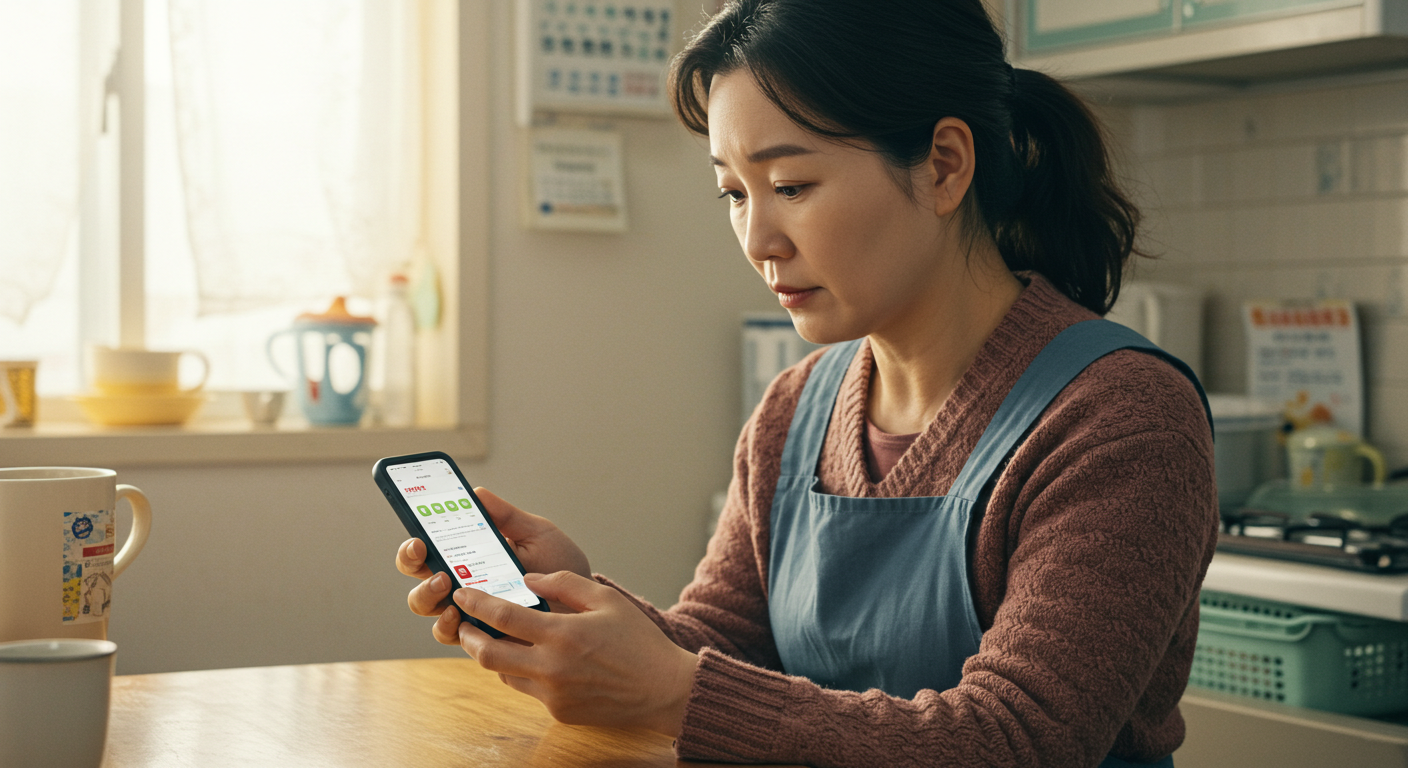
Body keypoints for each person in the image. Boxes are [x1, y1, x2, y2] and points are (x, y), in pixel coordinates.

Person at [395, 1, 1218, 765]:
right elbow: (721, 644)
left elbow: (1014, 739)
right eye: (732, 192)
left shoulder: (1121, 415)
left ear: (943, 166)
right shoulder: (797, 406)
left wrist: (673, 692)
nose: (758, 239)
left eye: (790, 186)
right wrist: (574, 601)